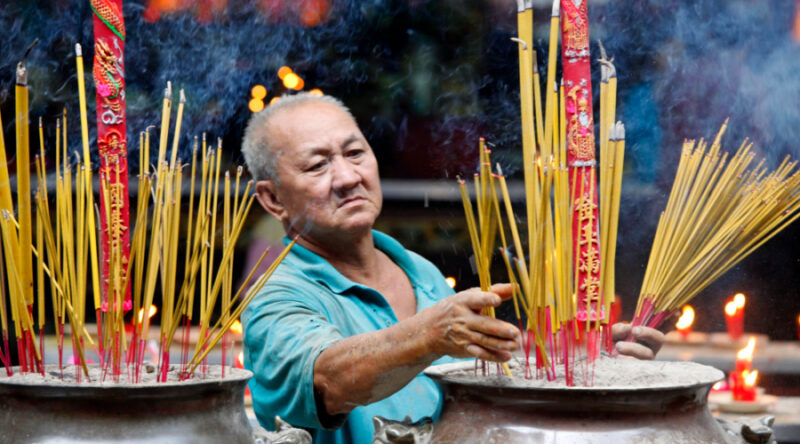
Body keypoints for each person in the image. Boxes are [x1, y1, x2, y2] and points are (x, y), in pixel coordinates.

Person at [240, 93, 664, 444]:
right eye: (318, 165)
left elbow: (482, 389)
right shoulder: (277, 294)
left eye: (355, 153)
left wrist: (589, 365)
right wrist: (431, 333)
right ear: (272, 199)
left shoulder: (419, 272)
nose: (348, 177)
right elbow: (328, 379)